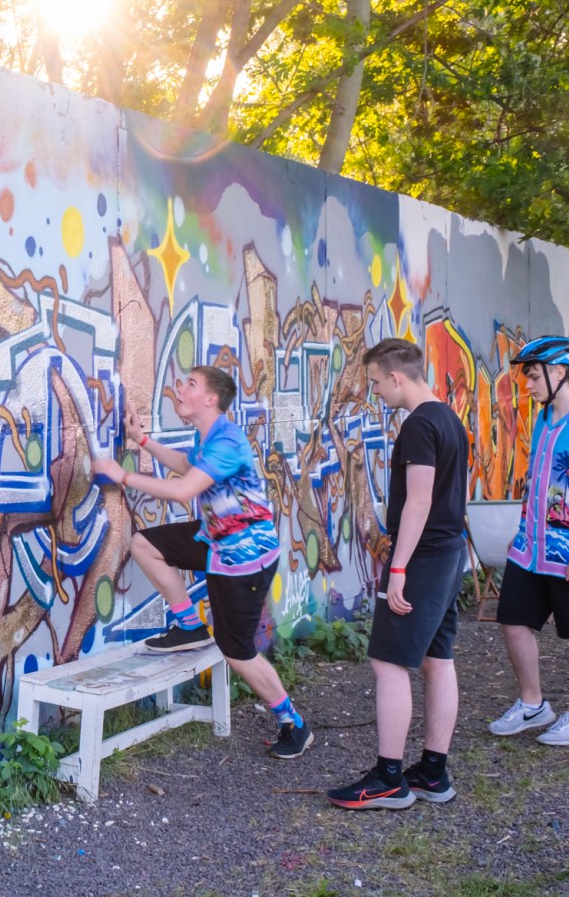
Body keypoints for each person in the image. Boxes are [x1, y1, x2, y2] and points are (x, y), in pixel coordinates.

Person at [92, 365, 312, 759]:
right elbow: (185, 466)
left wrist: (121, 476)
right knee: (145, 544)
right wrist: (141, 439)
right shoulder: (210, 436)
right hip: (216, 542)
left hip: (244, 559)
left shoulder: (226, 441)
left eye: (190, 384)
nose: (180, 389)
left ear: (211, 399)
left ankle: (292, 722)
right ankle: (190, 625)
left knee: (237, 651)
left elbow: (183, 491)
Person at [327, 339, 469, 810]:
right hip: (449, 552)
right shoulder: (448, 418)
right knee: (437, 659)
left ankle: (389, 777)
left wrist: (400, 567)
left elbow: (421, 500)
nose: (375, 392)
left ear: (397, 377)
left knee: (389, 661)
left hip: (423, 557)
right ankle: (432, 771)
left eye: (375, 383)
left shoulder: (417, 425)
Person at [489, 335, 569, 746]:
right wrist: (522, 534)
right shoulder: (545, 418)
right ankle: (533, 704)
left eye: (534, 375)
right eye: (526, 376)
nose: (528, 384)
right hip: (533, 548)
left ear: (559, 372)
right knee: (512, 620)